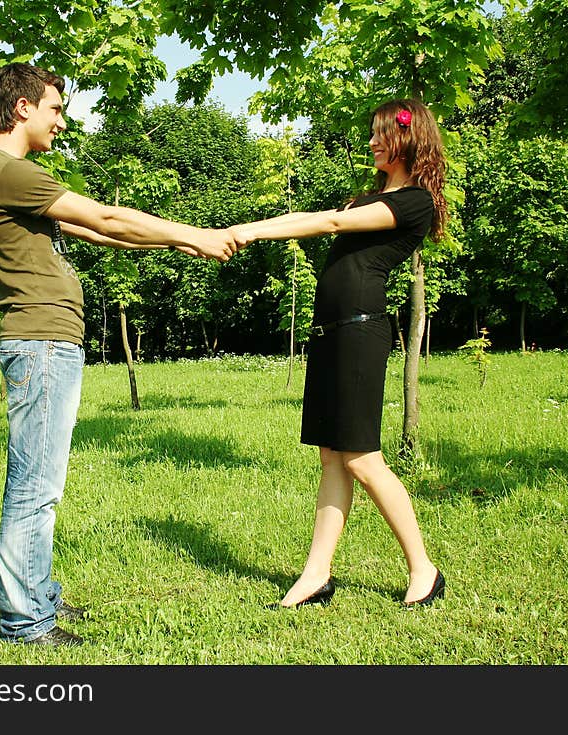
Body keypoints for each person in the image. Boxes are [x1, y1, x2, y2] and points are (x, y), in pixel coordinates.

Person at [0, 62, 237, 647]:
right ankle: (25, 621)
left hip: (50, 341)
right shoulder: (7, 172)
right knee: (35, 485)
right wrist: (194, 233)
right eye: (55, 109)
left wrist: (180, 244)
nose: (61, 122)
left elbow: (105, 232)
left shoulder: (17, 178)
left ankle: (36, 594)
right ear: (21, 108)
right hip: (39, 341)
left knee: (44, 481)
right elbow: (108, 215)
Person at [230, 99, 447, 609]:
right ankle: (316, 575)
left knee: (363, 459)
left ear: (407, 139)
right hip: (332, 334)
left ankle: (424, 569)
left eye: (380, 135)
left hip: (359, 335)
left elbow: (326, 224)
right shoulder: (368, 198)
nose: (372, 143)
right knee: (333, 457)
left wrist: (252, 230)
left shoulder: (415, 201)